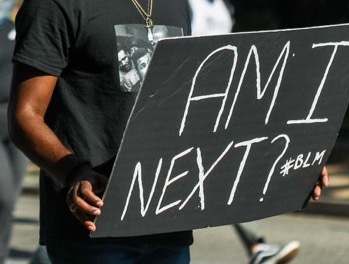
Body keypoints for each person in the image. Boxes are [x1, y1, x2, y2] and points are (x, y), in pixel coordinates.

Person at [8, 1, 329, 264]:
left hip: (167, 227)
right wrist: (73, 171)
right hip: (92, 230)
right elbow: (25, 116)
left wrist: (291, 158)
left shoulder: (176, 5)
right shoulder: (54, 4)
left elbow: (197, 112)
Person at [187, 1, 326, 264]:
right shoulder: (186, 4)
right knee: (216, 174)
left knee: (221, 173)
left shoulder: (224, 9)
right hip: (197, 101)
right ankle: (255, 246)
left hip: (225, 100)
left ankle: (255, 246)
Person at [0, 1, 29, 263]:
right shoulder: (4, 29)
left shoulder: (36, 33)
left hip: (20, 127)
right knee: (3, 196)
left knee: (11, 201)